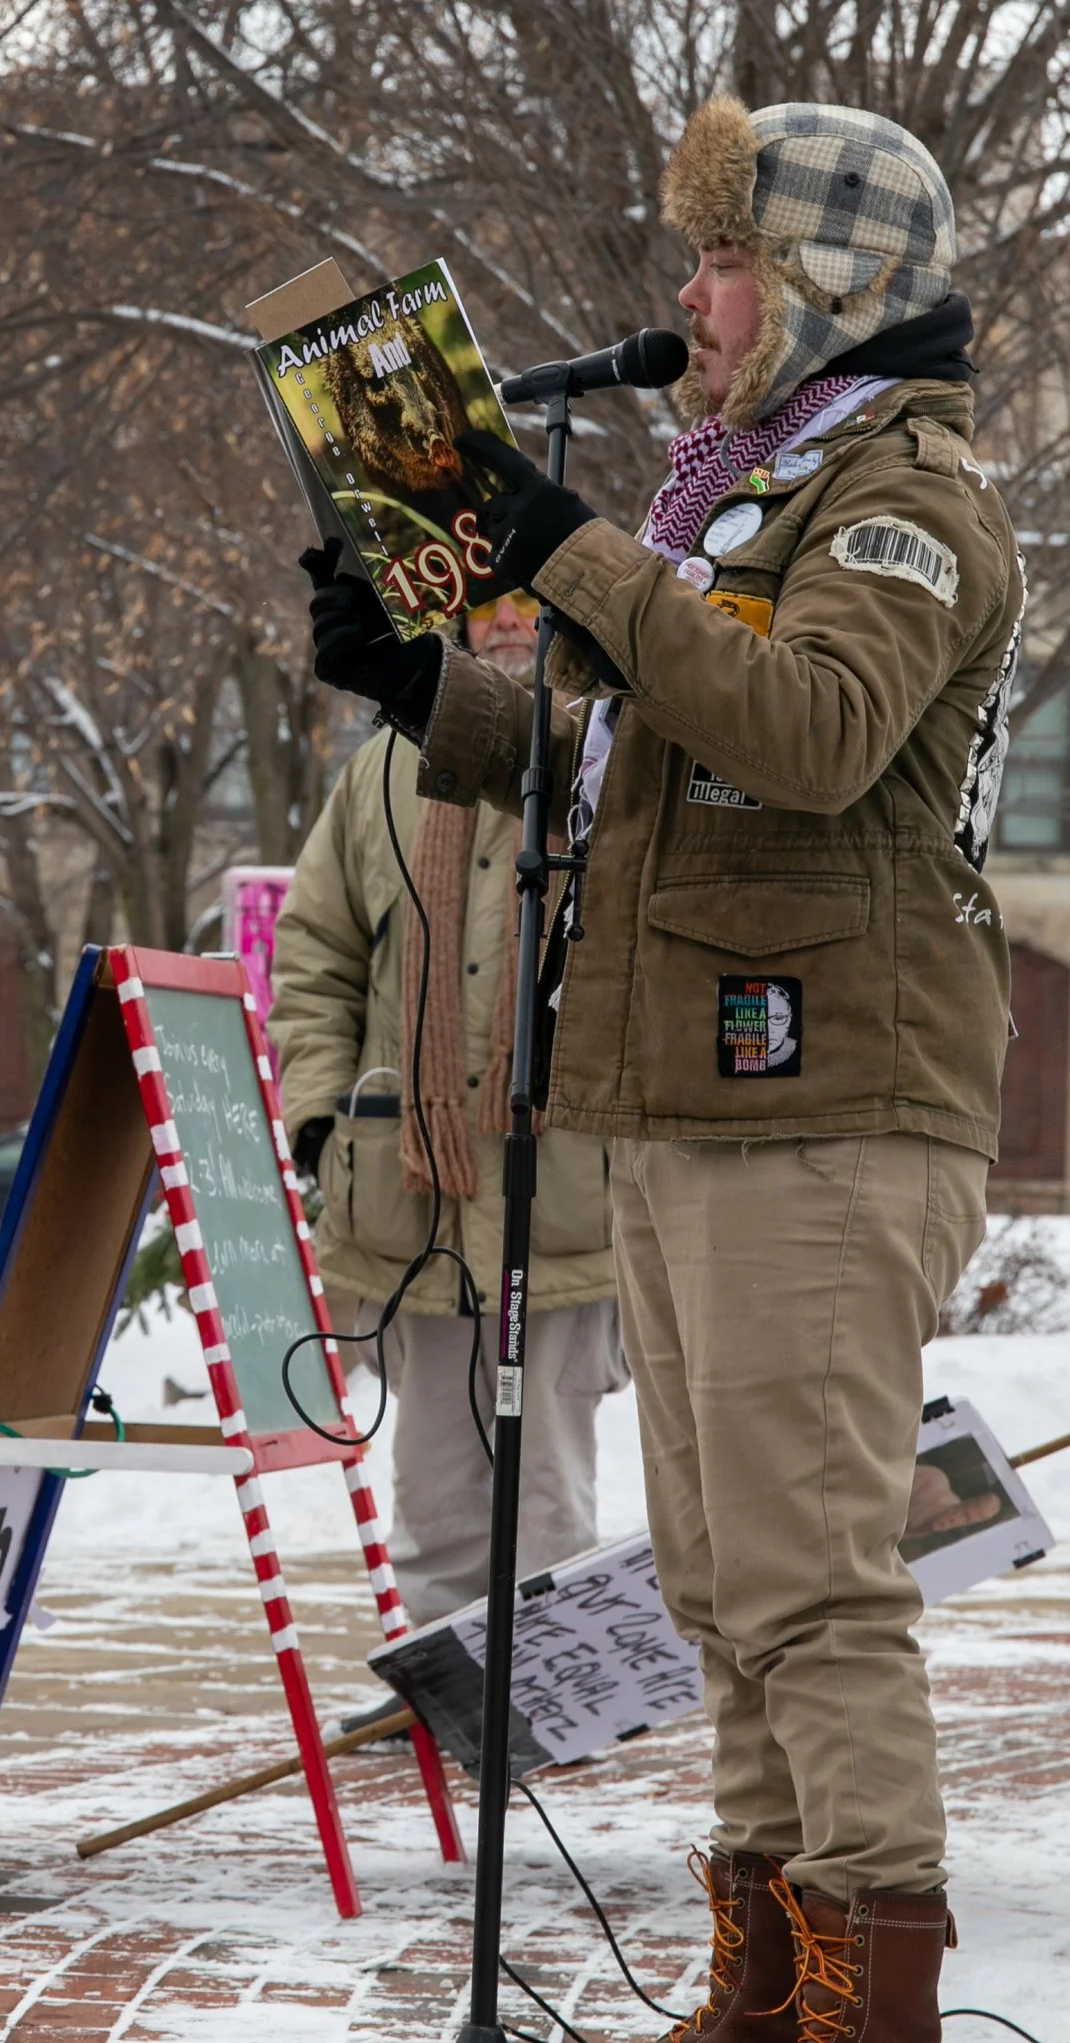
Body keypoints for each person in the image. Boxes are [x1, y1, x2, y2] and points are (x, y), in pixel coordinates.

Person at [306, 100, 1019, 2043]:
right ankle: (759, 1982)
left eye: (717, 264)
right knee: (715, 1576)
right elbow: (624, 781)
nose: (685, 302)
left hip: (829, 1101)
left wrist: (578, 551)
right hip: (700, 1101)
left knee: (806, 1571)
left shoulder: (901, 499)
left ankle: (863, 2000)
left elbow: (799, 728)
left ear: (819, 286)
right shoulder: (746, 488)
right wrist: (414, 688)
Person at [270, 595, 626, 1641]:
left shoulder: (607, 751)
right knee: (431, 1482)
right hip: (403, 1194)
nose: (507, 621)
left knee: (547, 1483)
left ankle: (543, 1690)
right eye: (485, 604)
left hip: (562, 1196)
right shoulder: (379, 767)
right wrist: (321, 1123)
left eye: (530, 599)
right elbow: (314, 957)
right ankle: (442, 1690)